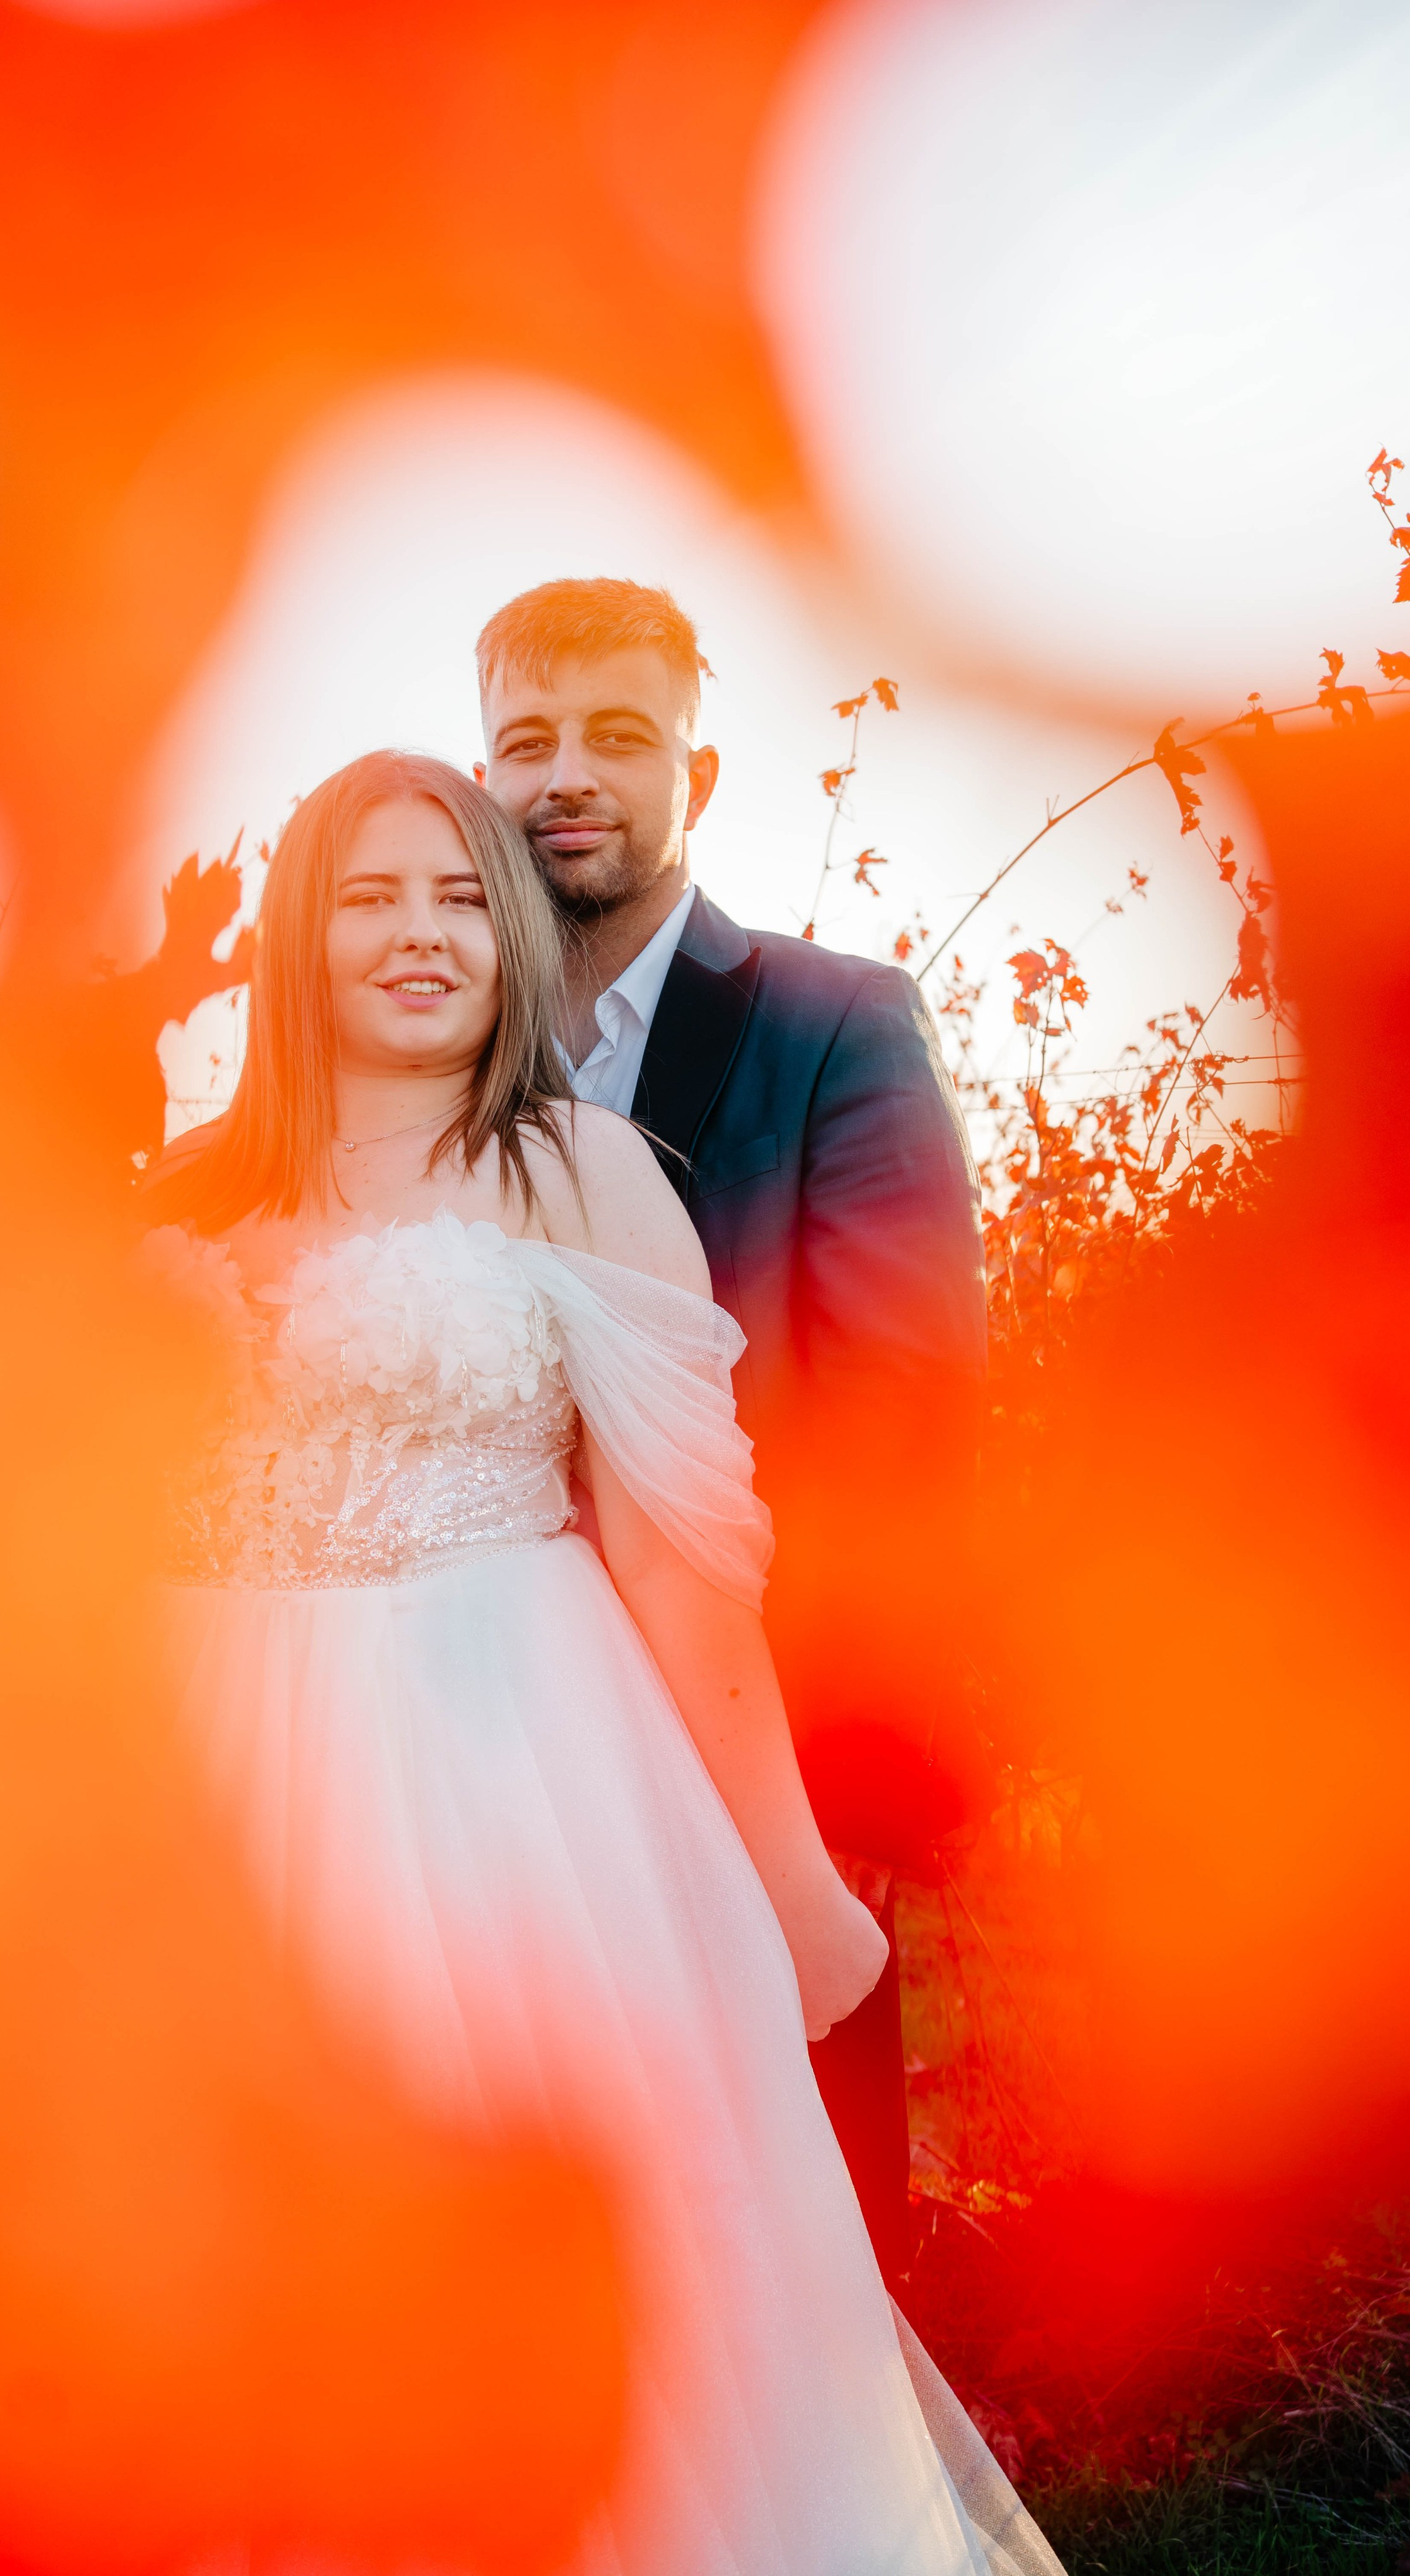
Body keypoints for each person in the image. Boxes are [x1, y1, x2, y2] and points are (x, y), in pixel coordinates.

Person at [147, 750, 1061, 2576]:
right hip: (231, 1783)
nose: (421, 935)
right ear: (296, 939)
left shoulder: (578, 1173)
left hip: (511, 1776)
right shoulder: (188, 1192)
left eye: (464, 897)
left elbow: (682, 1552)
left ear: (514, 943)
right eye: (370, 896)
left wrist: (790, 1883)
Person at [473, 580, 990, 2281]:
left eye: (619, 736)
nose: (567, 777)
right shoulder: (426, 1045)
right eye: (524, 741)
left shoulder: (832, 1023)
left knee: (800, 2255)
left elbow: (899, 1424)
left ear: (700, 773)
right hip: (488, 1746)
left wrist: (810, 1775)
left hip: (761, 1732)